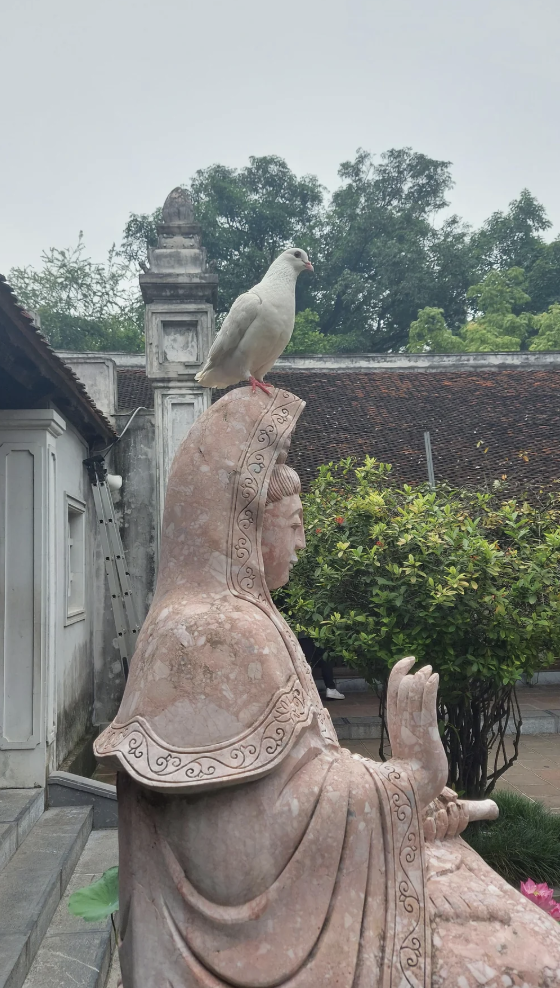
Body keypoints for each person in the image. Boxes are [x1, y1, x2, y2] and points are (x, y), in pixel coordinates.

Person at [95, 386, 560, 988]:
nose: (303, 543)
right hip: (266, 937)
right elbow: (238, 854)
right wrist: (408, 778)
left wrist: (404, 804)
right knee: (530, 955)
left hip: (316, 894)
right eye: (295, 524)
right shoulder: (216, 633)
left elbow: (302, 775)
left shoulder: (245, 618)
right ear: (246, 525)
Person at [298, 635, 346, 699]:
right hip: (322, 635)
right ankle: (330, 688)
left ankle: (306, 690)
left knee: (306, 662)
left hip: (303, 635)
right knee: (326, 658)